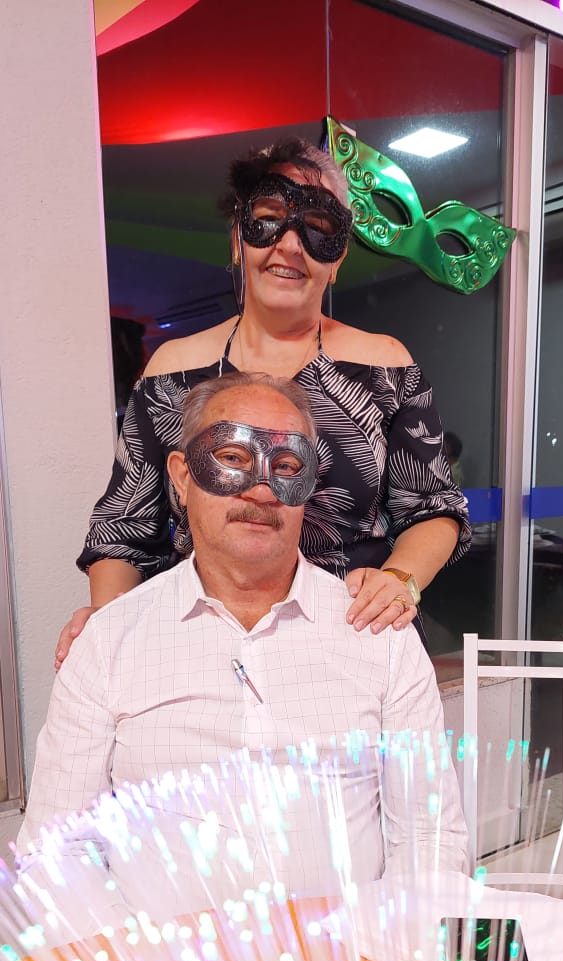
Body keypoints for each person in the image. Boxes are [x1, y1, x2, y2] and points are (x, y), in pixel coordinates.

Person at [18, 377, 468, 931]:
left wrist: (387, 950)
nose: (261, 490)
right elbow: (56, 850)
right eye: (232, 458)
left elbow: (429, 835)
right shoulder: (108, 643)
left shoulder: (380, 636)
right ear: (182, 476)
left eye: (286, 466)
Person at [56, 137, 470, 668]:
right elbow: (124, 528)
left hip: (350, 639)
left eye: (317, 229)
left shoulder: (385, 366)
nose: (290, 246)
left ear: (338, 258)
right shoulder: (171, 371)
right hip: (200, 647)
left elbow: (435, 507)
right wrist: (111, 634)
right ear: (238, 239)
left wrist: (398, 580)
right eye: (270, 220)